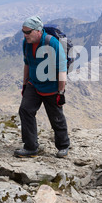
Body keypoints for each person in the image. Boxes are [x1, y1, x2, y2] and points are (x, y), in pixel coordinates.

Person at [14, 16, 70, 158]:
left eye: (28, 32)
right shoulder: (26, 43)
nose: (25, 35)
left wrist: (61, 92)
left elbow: (62, 69)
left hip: (51, 86)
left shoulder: (52, 43)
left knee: (56, 117)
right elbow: (27, 63)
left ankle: (63, 146)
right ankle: (31, 147)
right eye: (23, 32)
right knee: (25, 111)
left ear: (38, 31)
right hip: (34, 84)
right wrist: (25, 84)